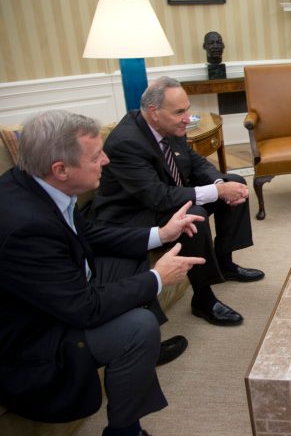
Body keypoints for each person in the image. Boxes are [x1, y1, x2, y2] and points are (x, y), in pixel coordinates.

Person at [0, 110, 205, 436]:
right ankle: (125, 431)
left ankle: (140, 357)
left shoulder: (33, 182)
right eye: (96, 156)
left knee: (133, 261)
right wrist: (158, 279)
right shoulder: (25, 227)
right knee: (140, 326)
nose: (106, 161)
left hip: (61, 289)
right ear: (60, 169)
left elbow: (89, 234)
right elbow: (83, 307)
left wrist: (161, 234)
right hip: (34, 338)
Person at [88, 76, 263, 328]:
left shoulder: (170, 127)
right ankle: (203, 299)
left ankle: (225, 264)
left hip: (164, 197)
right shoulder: (127, 142)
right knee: (194, 214)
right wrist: (217, 192)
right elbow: (157, 196)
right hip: (134, 212)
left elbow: (195, 163)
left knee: (235, 181)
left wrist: (219, 185)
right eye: (180, 111)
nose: (187, 117)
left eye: (187, 109)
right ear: (153, 112)